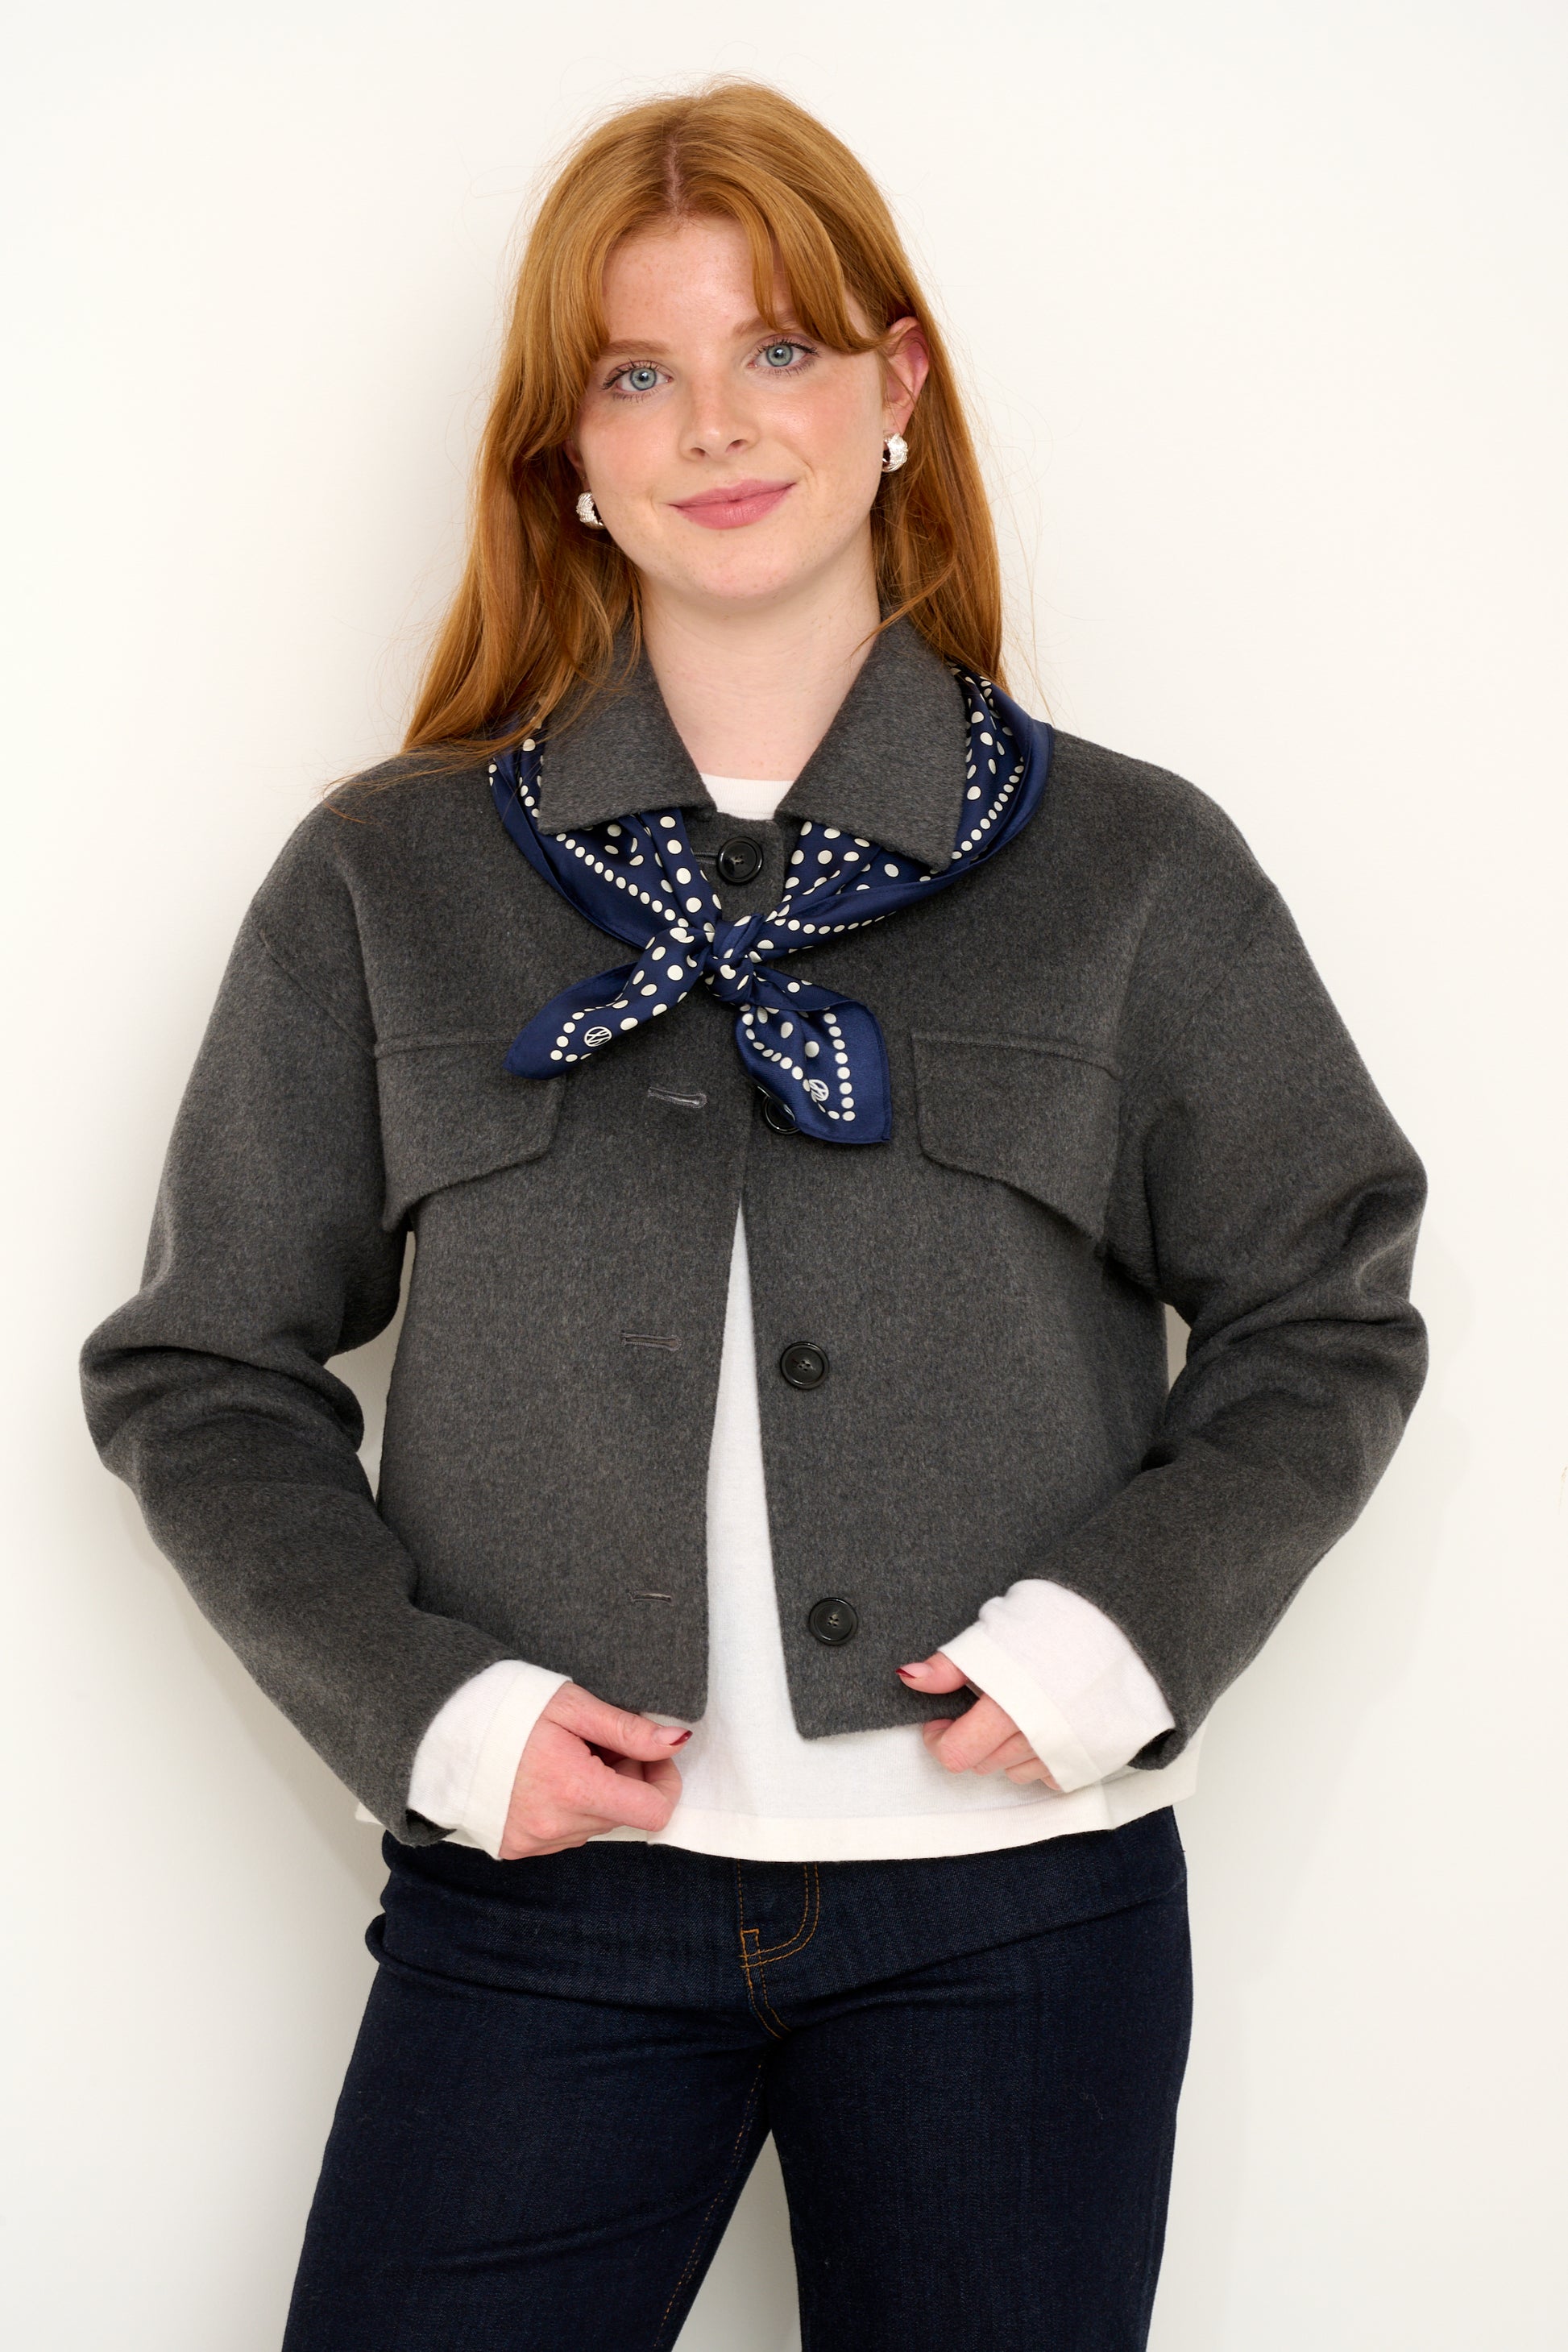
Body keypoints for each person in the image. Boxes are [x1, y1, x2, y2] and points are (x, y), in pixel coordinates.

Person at [80, 77, 1429, 2352]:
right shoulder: (386, 882)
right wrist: (432, 1712)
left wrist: (1118, 1634)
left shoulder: (1127, 872)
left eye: (778, 350)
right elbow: (199, 1367)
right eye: (639, 370)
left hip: (1019, 1932)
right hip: (548, 1916)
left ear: (895, 387)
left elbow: (1330, 1300)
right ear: (568, 454)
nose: (716, 424)